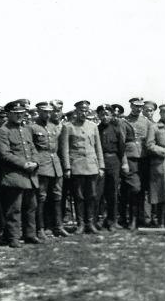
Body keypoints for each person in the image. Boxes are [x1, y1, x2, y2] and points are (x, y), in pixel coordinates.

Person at [0, 101, 40, 247]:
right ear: (9, 114)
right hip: (14, 175)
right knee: (14, 209)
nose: (20, 116)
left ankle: (30, 235)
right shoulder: (3, 131)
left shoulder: (26, 130)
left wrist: (35, 162)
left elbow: (33, 149)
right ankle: (13, 237)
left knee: (31, 206)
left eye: (21, 113)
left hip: (30, 175)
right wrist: (24, 164)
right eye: (16, 113)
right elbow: (4, 154)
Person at [59, 100, 105, 234]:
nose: (83, 113)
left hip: (92, 166)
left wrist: (101, 166)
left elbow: (98, 147)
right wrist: (67, 167)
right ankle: (81, 224)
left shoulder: (93, 126)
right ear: (76, 111)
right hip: (77, 166)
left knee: (92, 195)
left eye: (86, 111)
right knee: (78, 196)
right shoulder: (68, 127)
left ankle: (90, 223)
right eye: (81, 111)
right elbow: (65, 149)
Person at [30, 101, 67, 238]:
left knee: (57, 195)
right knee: (41, 197)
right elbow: (31, 148)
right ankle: (40, 228)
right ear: (39, 111)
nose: (47, 114)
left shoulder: (54, 127)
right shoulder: (32, 127)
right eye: (44, 111)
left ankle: (58, 226)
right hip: (42, 164)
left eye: (49, 112)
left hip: (55, 164)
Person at [97, 104, 129, 230]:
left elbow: (122, 148)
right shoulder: (96, 129)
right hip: (100, 162)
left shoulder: (116, 128)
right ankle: (99, 219)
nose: (105, 117)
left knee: (113, 193)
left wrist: (124, 163)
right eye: (102, 114)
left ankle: (112, 221)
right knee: (99, 192)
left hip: (114, 161)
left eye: (107, 114)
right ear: (98, 116)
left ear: (111, 115)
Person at [125, 97, 153, 227]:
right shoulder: (124, 121)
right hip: (131, 158)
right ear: (131, 106)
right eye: (136, 106)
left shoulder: (146, 122)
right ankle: (133, 219)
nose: (138, 109)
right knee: (134, 188)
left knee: (144, 189)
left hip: (145, 158)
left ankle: (143, 218)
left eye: (140, 106)